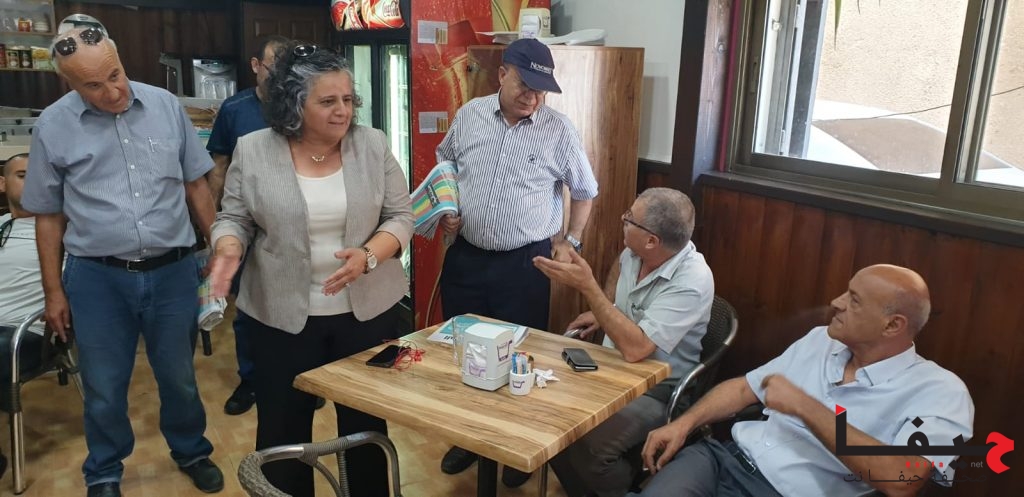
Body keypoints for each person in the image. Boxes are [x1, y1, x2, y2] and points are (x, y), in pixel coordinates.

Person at [21, 22, 223, 497]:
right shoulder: (53, 125)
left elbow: (196, 185)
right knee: (104, 385)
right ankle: (104, 470)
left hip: (173, 271)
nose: (112, 91)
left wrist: (221, 253)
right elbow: (48, 216)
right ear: (69, 83)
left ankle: (191, 450)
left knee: (179, 377)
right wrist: (53, 292)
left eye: (115, 74)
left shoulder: (165, 106)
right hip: (97, 279)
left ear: (119, 58)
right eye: (94, 85)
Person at [208, 42, 413, 497]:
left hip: (365, 314)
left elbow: (401, 216)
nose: (343, 111)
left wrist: (369, 256)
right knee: (283, 427)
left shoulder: (372, 144)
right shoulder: (253, 150)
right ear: (294, 104)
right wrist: (228, 246)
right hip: (281, 315)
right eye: (328, 101)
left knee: (364, 426)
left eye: (348, 99)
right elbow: (234, 218)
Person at [632, 264, 975, 497]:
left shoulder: (941, 392)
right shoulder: (820, 340)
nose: (836, 303)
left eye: (854, 300)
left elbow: (904, 479)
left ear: (892, 325)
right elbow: (744, 388)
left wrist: (805, 407)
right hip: (724, 460)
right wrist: (684, 423)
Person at [435, 36, 600, 488]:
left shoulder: (558, 130)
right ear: (503, 74)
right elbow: (445, 161)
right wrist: (448, 205)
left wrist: (571, 240)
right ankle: (469, 439)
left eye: (541, 90)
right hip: (467, 257)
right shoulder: (470, 115)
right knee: (463, 351)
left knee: (518, 356)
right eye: (525, 85)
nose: (532, 97)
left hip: (524, 264)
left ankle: (514, 448)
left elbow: (585, 191)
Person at [533, 187, 714, 497]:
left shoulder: (693, 280)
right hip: (611, 370)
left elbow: (637, 349)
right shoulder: (635, 252)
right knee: (551, 417)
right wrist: (605, 310)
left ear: (652, 241)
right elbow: (622, 274)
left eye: (630, 218)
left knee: (590, 447)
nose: (623, 219)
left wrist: (590, 289)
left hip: (658, 390)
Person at [205, 33, 289, 416]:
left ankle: (297, 376)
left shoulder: (300, 104)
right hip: (246, 225)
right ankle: (251, 379)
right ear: (256, 66)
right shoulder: (235, 109)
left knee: (294, 304)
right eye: (273, 68)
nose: (280, 77)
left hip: (288, 225)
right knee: (249, 308)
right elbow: (218, 168)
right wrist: (215, 226)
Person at [0, 153, 41, 481]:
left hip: (26, 334)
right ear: (3, 183)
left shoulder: (61, 228)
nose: (34, 182)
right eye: (23, 176)